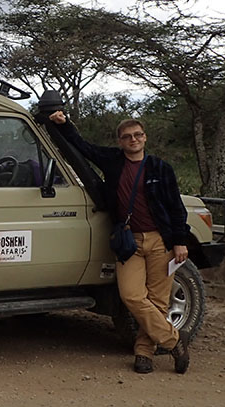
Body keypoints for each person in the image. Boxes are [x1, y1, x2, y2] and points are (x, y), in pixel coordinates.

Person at [48, 109, 191, 374]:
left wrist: (180, 241)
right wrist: (64, 124)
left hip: (161, 240)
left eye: (137, 135)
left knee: (158, 302)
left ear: (145, 138)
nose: (133, 140)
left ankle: (144, 353)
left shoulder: (161, 168)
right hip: (129, 242)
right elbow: (83, 147)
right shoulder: (113, 161)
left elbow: (176, 207)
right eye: (127, 137)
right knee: (132, 296)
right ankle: (173, 340)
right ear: (120, 141)